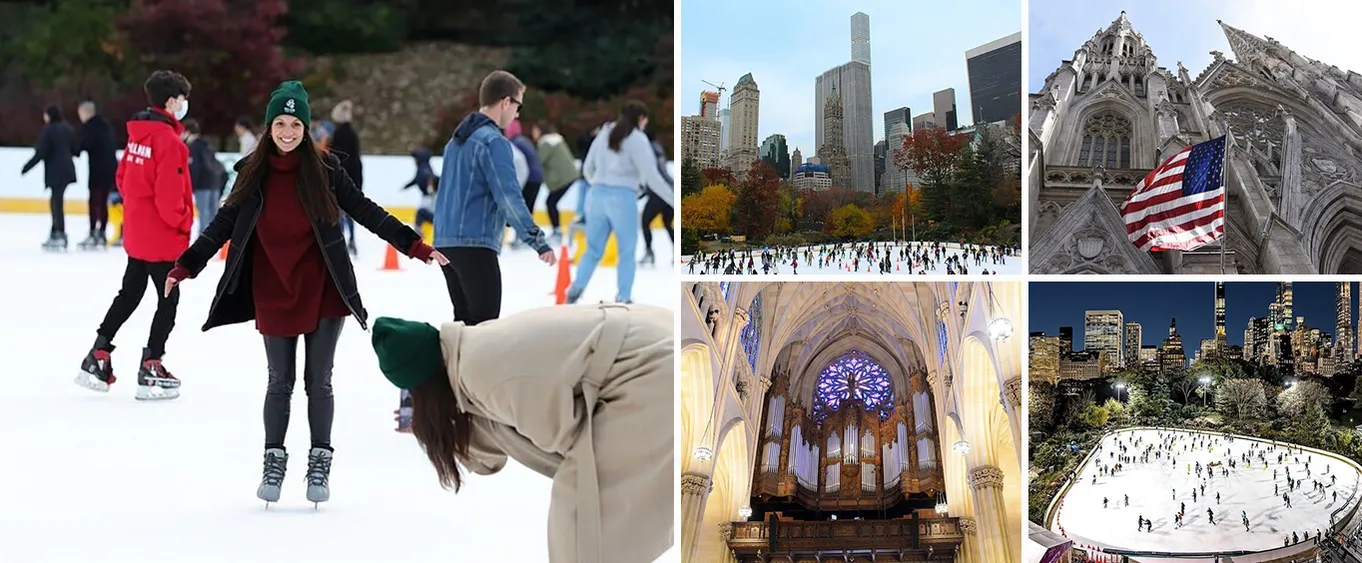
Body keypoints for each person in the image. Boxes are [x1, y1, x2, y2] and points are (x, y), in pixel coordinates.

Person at [162, 81, 446, 505]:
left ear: (307, 127)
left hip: (325, 287)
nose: (289, 132)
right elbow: (221, 225)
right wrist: (187, 264)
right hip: (273, 286)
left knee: (319, 381)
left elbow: (367, 211)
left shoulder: (326, 170)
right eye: (281, 123)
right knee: (279, 382)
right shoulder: (252, 173)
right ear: (269, 127)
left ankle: (319, 462)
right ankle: (273, 462)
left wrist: (415, 245)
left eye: (296, 124)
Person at [369, 302, 673, 562]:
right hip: (656, 342)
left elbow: (571, 444)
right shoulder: (472, 350)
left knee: (581, 520)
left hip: (652, 374)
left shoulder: (481, 373)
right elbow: (495, 434)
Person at [74, 70, 194, 400]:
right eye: (183, 100)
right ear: (172, 101)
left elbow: (123, 178)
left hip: (139, 233)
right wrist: (184, 223)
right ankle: (152, 364)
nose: (185, 106)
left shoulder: (137, 136)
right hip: (163, 237)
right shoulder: (169, 142)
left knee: (130, 293)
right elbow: (170, 198)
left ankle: (99, 353)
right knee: (168, 300)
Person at [433, 70, 554, 326]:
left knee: (463, 325)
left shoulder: (455, 142)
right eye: (518, 105)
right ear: (505, 102)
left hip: (446, 241)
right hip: (475, 243)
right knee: (484, 327)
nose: (517, 114)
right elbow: (509, 197)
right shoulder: (493, 142)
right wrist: (536, 239)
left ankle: (453, 368)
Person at [566, 101, 672, 304]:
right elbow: (652, 177)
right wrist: (675, 201)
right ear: (641, 119)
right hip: (623, 198)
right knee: (626, 252)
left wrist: (598, 186)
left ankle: (575, 290)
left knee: (593, 250)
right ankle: (623, 297)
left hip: (597, 195)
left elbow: (588, 169)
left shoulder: (604, 133)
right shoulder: (638, 139)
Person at [22, 105, 80, 250]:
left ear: (49, 116)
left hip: (56, 171)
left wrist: (26, 167)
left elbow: (41, 152)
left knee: (56, 203)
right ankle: (55, 232)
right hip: (67, 170)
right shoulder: (68, 128)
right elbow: (76, 150)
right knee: (56, 201)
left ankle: (59, 233)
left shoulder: (48, 130)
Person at [77, 100, 118, 249]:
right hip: (111, 169)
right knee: (103, 202)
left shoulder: (90, 127)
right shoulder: (106, 126)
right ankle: (101, 232)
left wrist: (74, 149)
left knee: (94, 202)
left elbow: (84, 144)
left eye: (80, 113)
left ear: (86, 113)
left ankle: (94, 232)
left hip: (97, 169)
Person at [534, 122, 576, 246]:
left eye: (535, 130)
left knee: (550, 202)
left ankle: (557, 232)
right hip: (569, 176)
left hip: (561, 178)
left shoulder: (545, 143)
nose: (534, 133)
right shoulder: (556, 140)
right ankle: (557, 230)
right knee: (551, 202)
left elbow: (538, 160)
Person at [329, 100, 363, 255]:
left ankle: (341, 238)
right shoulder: (353, 134)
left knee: (339, 210)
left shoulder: (338, 134)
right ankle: (352, 239)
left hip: (342, 175)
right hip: (355, 176)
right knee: (350, 211)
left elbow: (336, 157)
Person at [182, 119, 226, 235]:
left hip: (203, 185)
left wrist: (191, 188)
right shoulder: (207, 145)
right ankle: (214, 239)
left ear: (187, 132)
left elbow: (194, 168)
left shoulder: (193, 147)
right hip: (215, 183)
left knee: (204, 215)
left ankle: (204, 240)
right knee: (213, 215)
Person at [639, 130, 674, 266]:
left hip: (659, 192)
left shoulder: (648, 151)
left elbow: (650, 174)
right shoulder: (658, 149)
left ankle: (649, 252)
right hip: (670, 190)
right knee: (667, 223)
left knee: (645, 222)